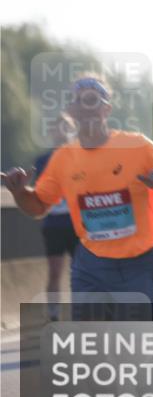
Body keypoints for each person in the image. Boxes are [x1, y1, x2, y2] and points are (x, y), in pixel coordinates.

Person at [2, 75, 153, 397]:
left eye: (93, 99)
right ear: (71, 110)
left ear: (107, 107)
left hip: (139, 262)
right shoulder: (65, 158)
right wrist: (19, 192)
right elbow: (38, 207)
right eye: (78, 101)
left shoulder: (136, 146)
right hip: (91, 263)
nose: (85, 106)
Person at [33, 113, 79, 322]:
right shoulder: (42, 161)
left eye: (66, 128)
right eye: (57, 128)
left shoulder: (81, 157)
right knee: (55, 271)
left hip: (78, 223)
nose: (61, 132)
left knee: (81, 273)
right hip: (54, 223)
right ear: (51, 132)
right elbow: (39, 193)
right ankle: (53, 314)